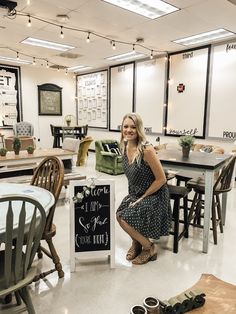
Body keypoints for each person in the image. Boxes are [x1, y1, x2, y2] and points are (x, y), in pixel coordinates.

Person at [116, 113, 171, 265]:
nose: (128, 130)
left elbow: (161, 179)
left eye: (133, 127)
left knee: (125, 218)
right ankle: (137, 243)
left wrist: (142, 197)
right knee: (119, 214)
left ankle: (149, 248)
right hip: (136, 192)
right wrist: (134, 196)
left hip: (155, 194)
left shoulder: (146, 150)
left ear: (139, 129)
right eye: (125, 126)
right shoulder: (124, 146)